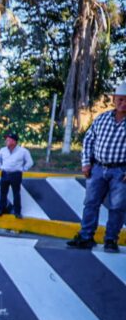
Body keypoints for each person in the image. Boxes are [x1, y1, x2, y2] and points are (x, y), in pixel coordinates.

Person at [67, 81, 126, 253]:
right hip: (98, 168)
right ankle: (86, 237)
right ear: (114, 99)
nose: (123, 104)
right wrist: (86, 163)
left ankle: (111, 240)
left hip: (120, 171)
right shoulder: (102, 118)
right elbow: (89, 140)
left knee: (117, 207)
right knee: (91, 203)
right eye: (120, 100)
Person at [0, 132, 34, 219]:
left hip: (16, 174)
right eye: (6, 140)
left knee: (16, 193)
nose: (6, 141)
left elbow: (30, 162)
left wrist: (23, 169)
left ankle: (17, 212)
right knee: (3, 193)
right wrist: (1, 167)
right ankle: (1, 209)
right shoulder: (2, 150)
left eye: (8, 140)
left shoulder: (23, 151)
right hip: (5, 173)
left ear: (14, 141)